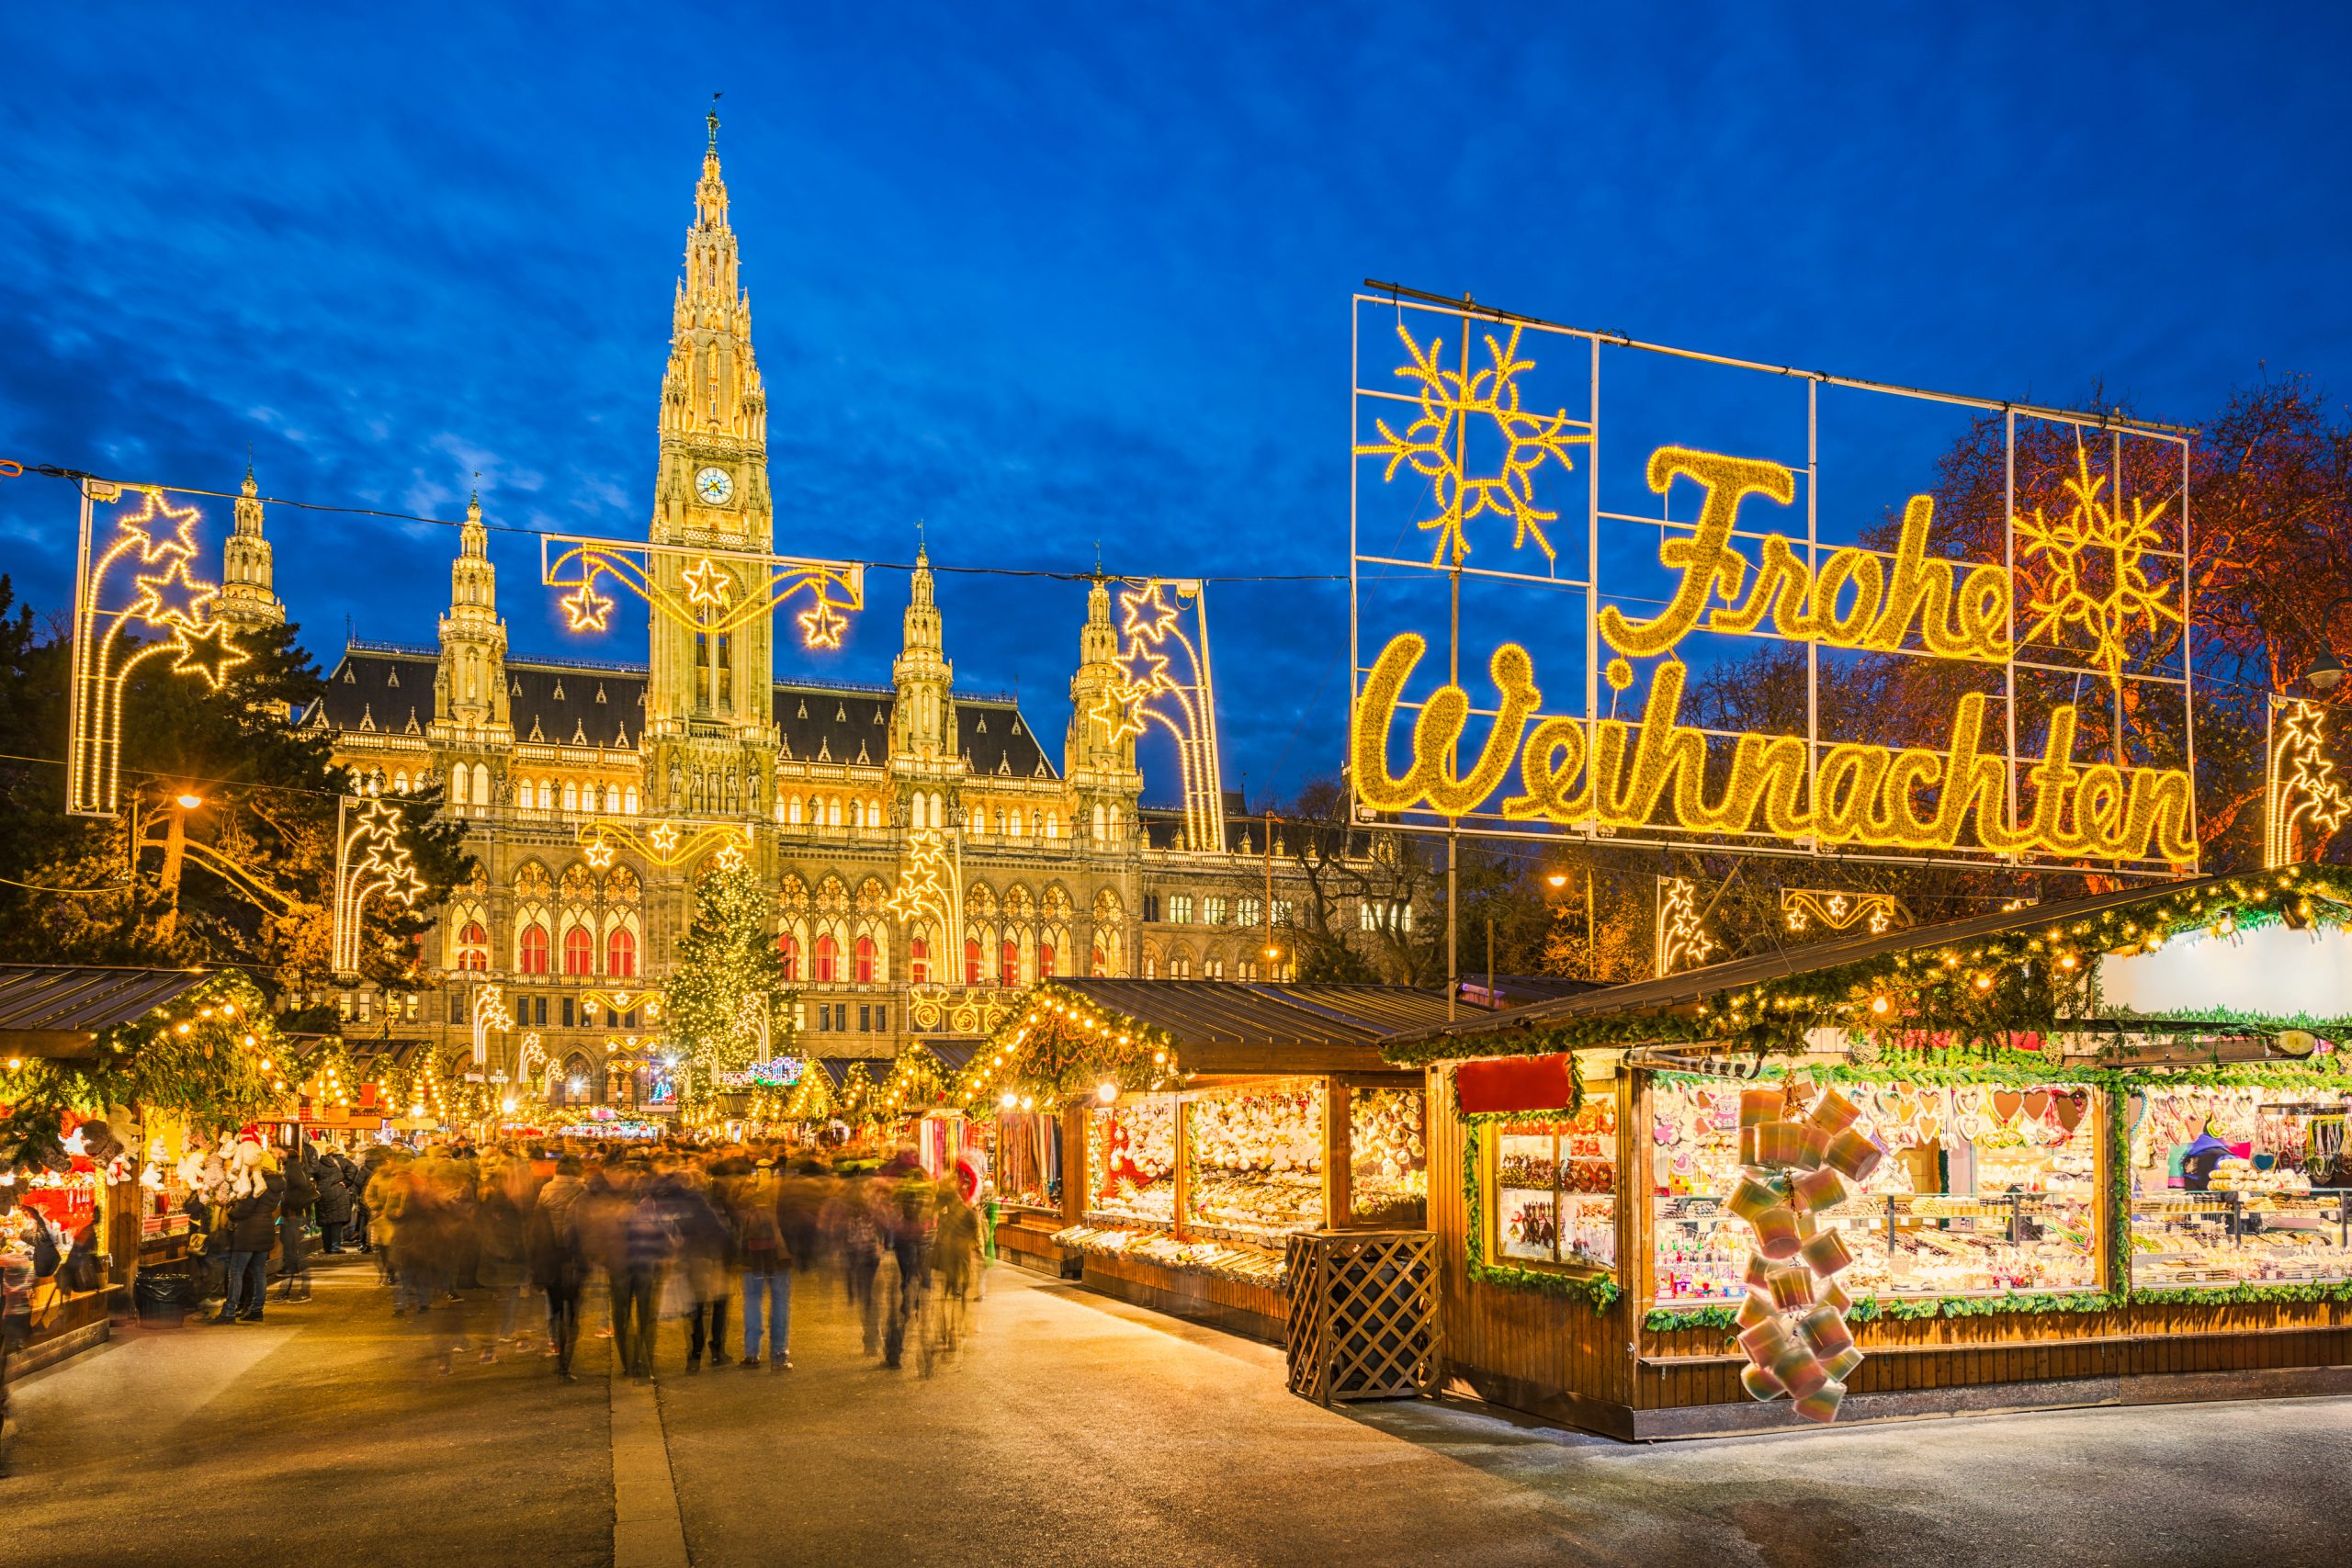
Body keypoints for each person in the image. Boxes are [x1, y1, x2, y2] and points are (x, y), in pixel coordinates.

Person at [527, 1156, 588, 1380]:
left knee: (554, 1306)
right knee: (573, 1308)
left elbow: (537, 1224)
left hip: (549, 1255)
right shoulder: (583, 1189)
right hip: (573, 1256)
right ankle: (565, 1359)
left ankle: (555, 1342)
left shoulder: (546, 1189)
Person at [730, 1160, 791, 1371]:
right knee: (780, 1302)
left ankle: (752, 1353)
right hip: (777, 1255)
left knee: (753, 1302)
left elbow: (735, 1221)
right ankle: (779, 1353)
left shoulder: (744, 1193)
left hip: (751, 1256)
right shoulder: (781, 1194)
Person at [218, 1153, 287, 1323]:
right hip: (265, 1228)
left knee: (236, 1272)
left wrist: (230, 1211)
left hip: (248, 1231)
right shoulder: (277, 1183)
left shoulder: (258, 1183)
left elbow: (244, 1208)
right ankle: (257, 1310)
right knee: (258, 1272)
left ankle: (229, 1311)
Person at [277, 1143, 318, 1303]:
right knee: (293, 1255)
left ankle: (301, 1291)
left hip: (295, 1217)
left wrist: (292, 1210)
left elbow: (299, 1190)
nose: (276, 1155)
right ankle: (289, 1291)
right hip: (295, 1216)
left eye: (278, 1152)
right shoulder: (296, 1168)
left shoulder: (293, 1170)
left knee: (295, 1255)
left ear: (286, 1153)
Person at [312, 1142, 354, 1255]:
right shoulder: (343, 1161)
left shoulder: (319, 1163)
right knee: (336, 1221)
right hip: (338, 1192)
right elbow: (353, 1170)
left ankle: (327, 1247)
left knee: (326, 1222)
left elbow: (313, 1173)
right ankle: (335, 1247)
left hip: (323, 1193)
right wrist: (346, 1182)